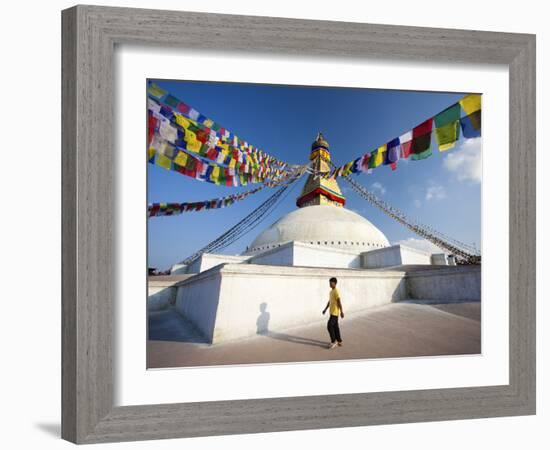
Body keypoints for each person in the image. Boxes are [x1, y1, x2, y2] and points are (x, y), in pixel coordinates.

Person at [322, 277, 344, 349]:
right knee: (335, 327)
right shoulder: (331, 292)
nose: (330, 284)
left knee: (329, 326)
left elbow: (339, 301)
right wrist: (325, 309)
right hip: (331, 312)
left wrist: (341, 311)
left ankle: (334, 341)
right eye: (329, 283)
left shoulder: (336, 291)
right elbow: (330, 302)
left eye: (331, 283)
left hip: (335, 313)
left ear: (335, 283)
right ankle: (339, 341)